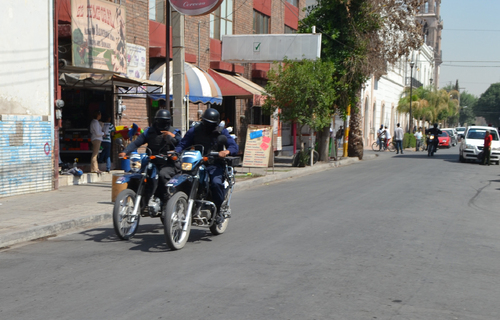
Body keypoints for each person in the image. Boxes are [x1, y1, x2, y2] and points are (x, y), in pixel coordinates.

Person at [175, 108, 238, 221]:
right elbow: (183, 144)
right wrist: (176, 152)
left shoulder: (221, 131)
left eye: (210, 123)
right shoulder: (195, 130)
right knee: (183, 180)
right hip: (196, 164)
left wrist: (226, 152)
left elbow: (233, 146)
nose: (207, 125)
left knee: (216, 183)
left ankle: (218, 211)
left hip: (214, 164)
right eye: (205, 122)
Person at [118, 109, 181, 198]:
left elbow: (181, 144)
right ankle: (137, 197)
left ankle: (166, 200)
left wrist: (171, 138)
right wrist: (125, 152)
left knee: (163, 175)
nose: (162, 124)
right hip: (151, 161)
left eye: (165, 121)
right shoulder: (149, 131)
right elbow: (137, 143)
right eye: (160, 121)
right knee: (136, 174)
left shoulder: (174, 131)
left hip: (168, 163)